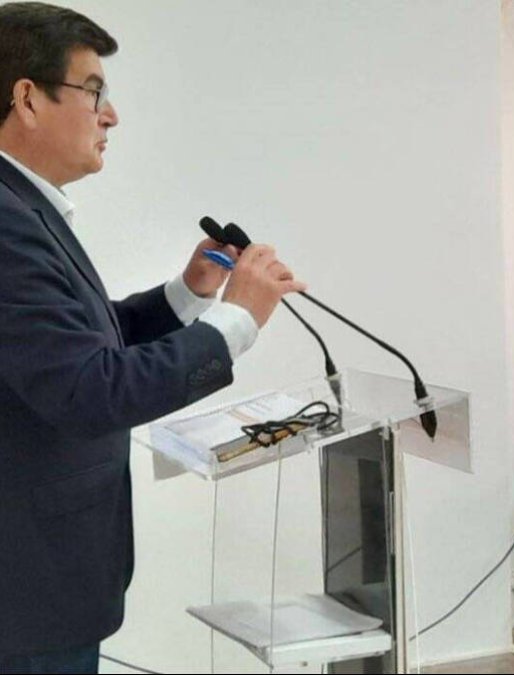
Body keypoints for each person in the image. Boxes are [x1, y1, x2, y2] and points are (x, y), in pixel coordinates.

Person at [0, 4, 303, 671]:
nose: (111, 116)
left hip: (37, 585)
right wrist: (238, 319)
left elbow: (61, 347)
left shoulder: (20, 206)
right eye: (95, 92)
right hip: (26, 597)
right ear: (27, 97)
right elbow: (88, 390)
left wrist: (186, 295)